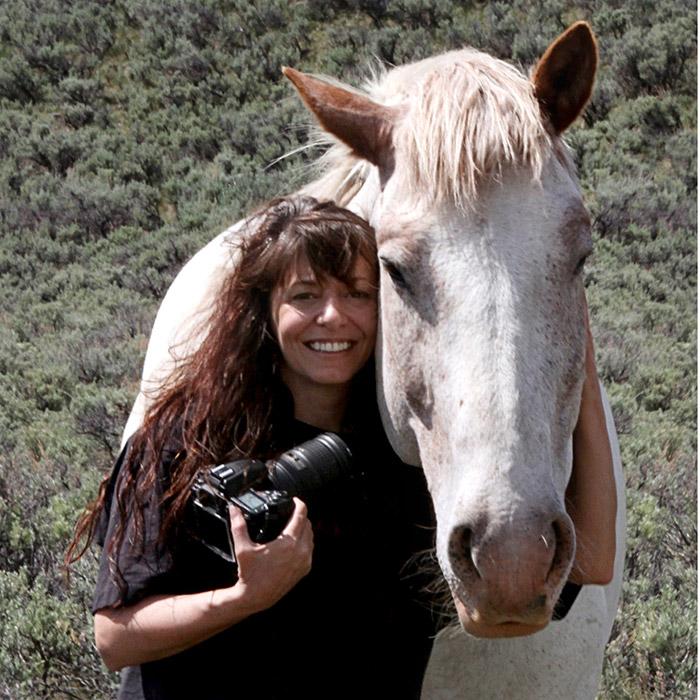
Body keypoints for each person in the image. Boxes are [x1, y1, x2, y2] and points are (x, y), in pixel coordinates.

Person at [67, 195, 616, 699]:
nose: (333, 317)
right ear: (266, 311)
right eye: (305, 295)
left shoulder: (406, 468)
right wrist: (245, 597)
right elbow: (115, 637)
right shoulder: (183, 444)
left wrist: (580, 360)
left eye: (358, 294)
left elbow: (593, 561)